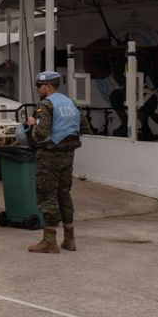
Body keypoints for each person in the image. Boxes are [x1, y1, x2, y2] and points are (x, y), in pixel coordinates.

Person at [24, 70, 92, 253]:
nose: (37, 89)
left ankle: (49, 241)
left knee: (47, 195)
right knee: (64, 194)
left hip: (49, 155)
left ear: (49, 86)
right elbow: (84, 127)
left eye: (39, 85)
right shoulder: (72, 103)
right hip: (68, 155)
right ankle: (69, 239)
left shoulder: (46, 105)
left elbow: (41, 133)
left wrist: (32, 125)